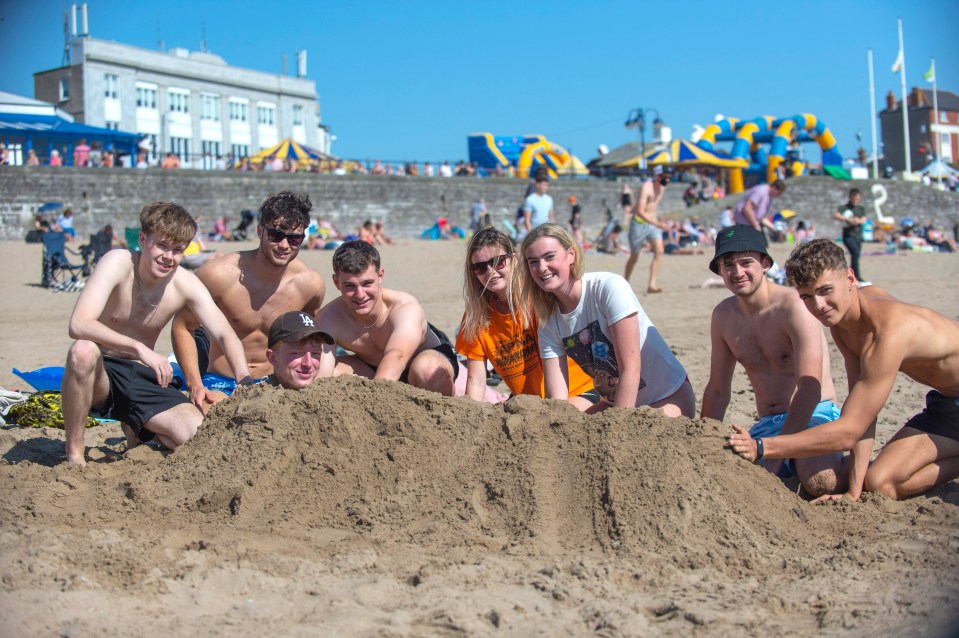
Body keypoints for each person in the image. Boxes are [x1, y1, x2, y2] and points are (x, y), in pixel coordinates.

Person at [728, 238, 959, 501]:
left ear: (850, 278)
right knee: (878, 483)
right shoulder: (842, 321)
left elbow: (849, 432)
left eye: (825, 290)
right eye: (806, 296)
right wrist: (853, 492)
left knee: (884, 485)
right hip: (948, 403)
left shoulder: (890, 332)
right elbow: (861, 414)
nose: (819, 306)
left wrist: (762, 447)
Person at [60, 202, 252, 465]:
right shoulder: (118, 262)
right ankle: (75, 453)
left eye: (177, 250)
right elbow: (79, 324)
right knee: (82, 351)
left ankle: (138, 428)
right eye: (162, 245)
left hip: (141, 378)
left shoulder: (184, 283)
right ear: (143, 239)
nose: (168, 257)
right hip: (100, 373)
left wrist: (245, 381)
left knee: (196, 437)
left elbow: (225, 334)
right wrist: (140, 349)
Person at [701, 225, 845, 496]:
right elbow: (718, 390)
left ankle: (845, 461)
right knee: (719, 472)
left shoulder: (794, 306)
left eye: (746, 262)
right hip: (766, 424)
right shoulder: (723, 316)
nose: (737, 272)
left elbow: (810, 389)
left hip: (815, 415)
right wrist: (701, 440)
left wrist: (776, 453)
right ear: (719, 271)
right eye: (728, 264)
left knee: (820, 480)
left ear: (765, 264)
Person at [171, 191, 326, 413]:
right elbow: (183, 326)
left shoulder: (310, 285)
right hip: (221, 382)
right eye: (275, 235)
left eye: (294, 239)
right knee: (206, 416)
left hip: (274, 383)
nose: (284, 245)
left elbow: (311, 341)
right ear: (260, 231)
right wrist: (195, 384)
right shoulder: (219, 274)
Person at [520, 223, 695, 416]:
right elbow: (557, 400)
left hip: (667, 396)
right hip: (614, 404)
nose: (542, 267)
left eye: (549, 257)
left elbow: (630, 369)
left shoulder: (608, 288)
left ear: (571, 254)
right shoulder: (548, 323)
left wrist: (617, 429)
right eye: (533, 261)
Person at [455, 228, 598, 409]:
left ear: (514, 259)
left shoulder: (539, 297)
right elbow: (476, 381)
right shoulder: (476, 316)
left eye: (498, 262)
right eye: (480, 267)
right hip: (527, 402)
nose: (490, 272)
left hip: (579, 390)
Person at [314, 240, 457, 396]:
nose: (360, 294)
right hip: (371, 367)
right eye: (350, 286)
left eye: (367, 283)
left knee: (427, 370)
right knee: (329, 378)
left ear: (380, 276)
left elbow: (397, 355)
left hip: (422, 364)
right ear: (336, 282)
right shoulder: (328, 319)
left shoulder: (404, 307)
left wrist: (376, 401)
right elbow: (322, 374)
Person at [624, 165, 671, 294]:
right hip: (639, 223)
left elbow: (653, 207)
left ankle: (652, 285)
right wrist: (657, 224)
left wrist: (659, 222)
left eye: (668, 176)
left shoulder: (662, 188)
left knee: (660, 251)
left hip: (652, 223)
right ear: (657, 176)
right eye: (665, 176)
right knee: (634, 257)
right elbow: (640, 211)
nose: (667, 179)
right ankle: (625, 282)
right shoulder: (647, 187)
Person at [264, 311, 336, 390]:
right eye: (296, 353)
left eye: (315, 353)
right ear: (273, 358)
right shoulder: (256, 398)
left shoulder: (334, 392)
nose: (308, 364)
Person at [832, 188, 869, 285]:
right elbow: (836, 215)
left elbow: (864, 219)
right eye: (855, 199)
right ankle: (855, 275)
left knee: (856, 255)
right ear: (851, 197)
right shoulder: (844, 208)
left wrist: (857, 221)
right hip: (848, 235)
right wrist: (848, 219)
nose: (856, 201)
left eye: (858, 199)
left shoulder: (861, 208)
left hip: (858, 235)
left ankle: (853, 275)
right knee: (855, 252)